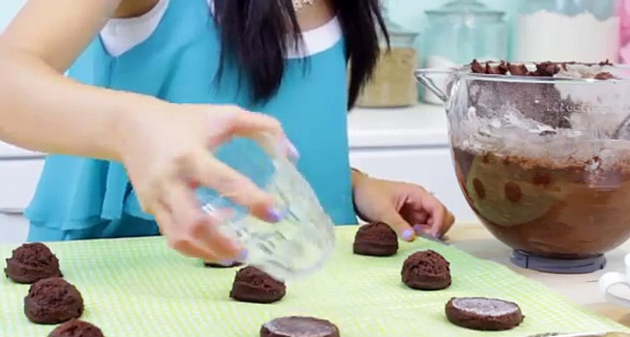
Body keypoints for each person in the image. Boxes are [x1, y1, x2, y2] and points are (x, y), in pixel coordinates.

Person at [0, 0, 454, 264]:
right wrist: (132, 126)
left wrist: (355, 186)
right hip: (127, 292)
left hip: (295, 292)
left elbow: (265, 143)